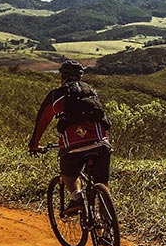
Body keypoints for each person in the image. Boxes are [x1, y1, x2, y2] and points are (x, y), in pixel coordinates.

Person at [29, 60, 113, 219]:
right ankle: (107, 230)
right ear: (80, 77)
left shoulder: (56, 95)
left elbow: (42, 121)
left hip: (73, 146)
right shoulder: (92, 91)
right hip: (101, 143)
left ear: (61, 77)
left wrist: (34, 145)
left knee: (68, 175)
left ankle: (77, 197)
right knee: (102, 184)